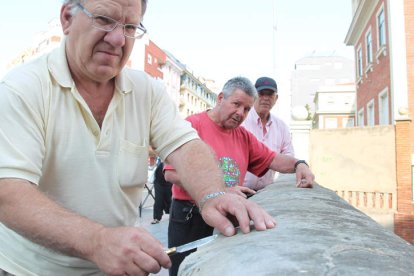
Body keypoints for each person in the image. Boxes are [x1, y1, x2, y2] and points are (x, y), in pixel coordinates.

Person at [0, 1, 276, 275]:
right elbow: (8, 191)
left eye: (131, 26)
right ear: (67, 18)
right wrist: (97, 241)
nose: (118, 38)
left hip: (121, 268)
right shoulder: (22, 89)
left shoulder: (147, 91)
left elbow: (186, 146)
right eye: (104, 20)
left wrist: (212, 193)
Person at [164, 76, 315, 276]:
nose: (240, 113)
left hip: (228, 214)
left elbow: (273, 159)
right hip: (191, 216)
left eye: (246, 109)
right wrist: (218, 191)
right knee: (183, 271)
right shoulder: (193, 125)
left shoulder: (243, 136)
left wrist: (298, 164)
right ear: (220, 98)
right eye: (236, 104)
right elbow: (171, 173)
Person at [241, 76, 295, 190]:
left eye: (270, 94)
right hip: (239, 192)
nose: (265, 98)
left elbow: (289, 156)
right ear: (253, 96)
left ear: (276, 98)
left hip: (266, 193)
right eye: (261, 93)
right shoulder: (241, 121)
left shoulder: (281, 127)